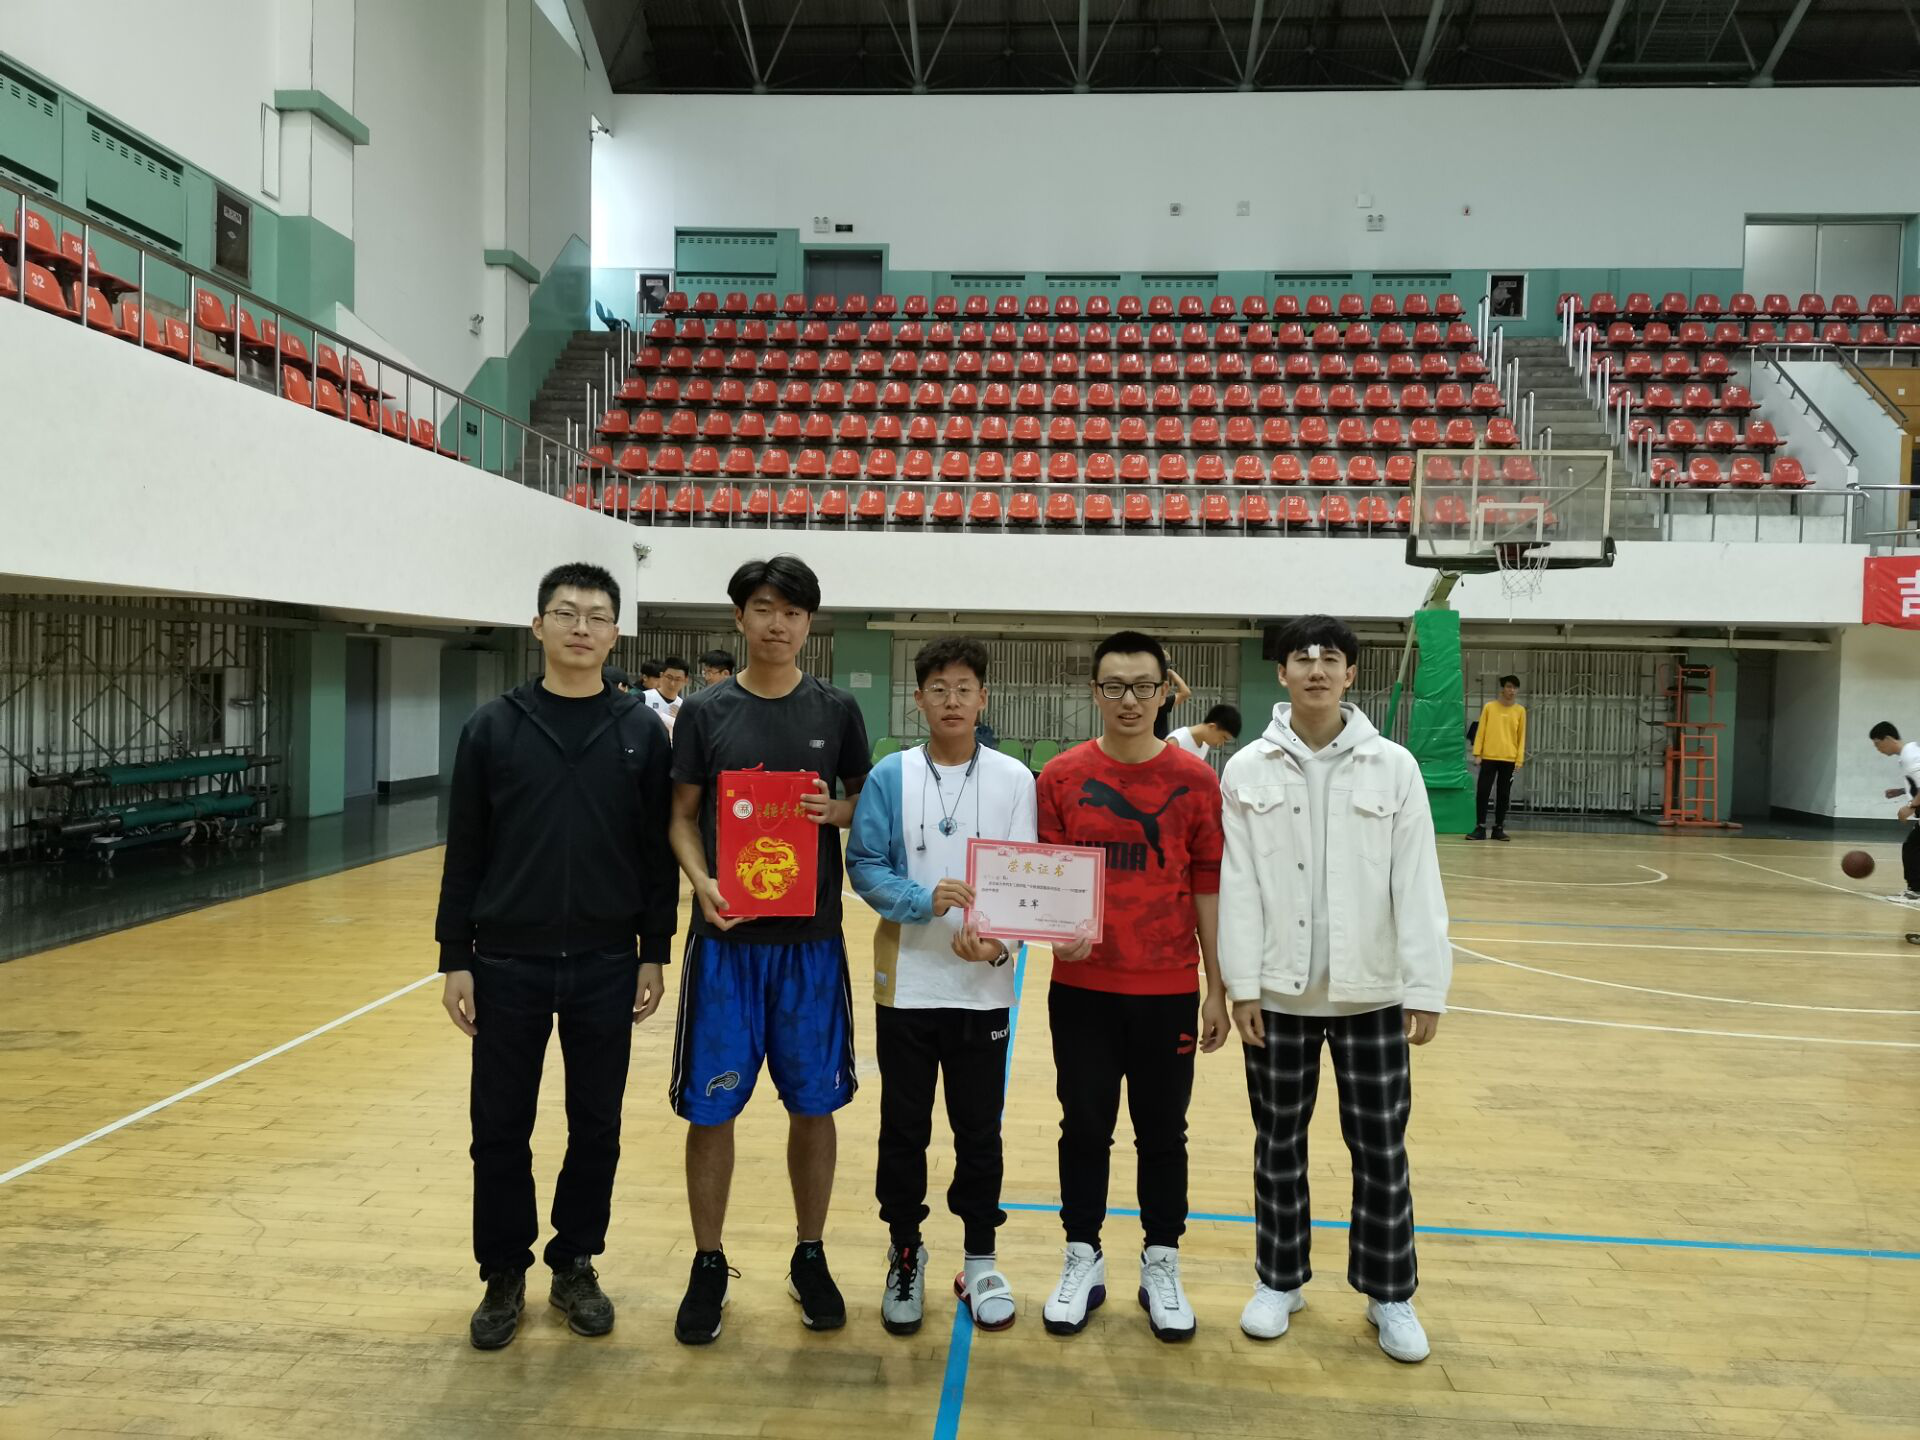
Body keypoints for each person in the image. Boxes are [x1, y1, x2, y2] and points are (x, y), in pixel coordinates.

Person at [434, 561, 679, 1351]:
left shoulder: (640, 731)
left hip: (607, 961)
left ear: (615, 634)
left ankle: (574, 1261)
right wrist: (455, 956)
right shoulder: (492, 727)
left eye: (597, 616)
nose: (581, 627)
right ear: (538, 626)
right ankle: (503, 1270)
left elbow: (656, 853)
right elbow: (465, 849)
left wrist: (653, 949)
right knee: (499, 1128)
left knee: (596, 1125)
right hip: (506, 962)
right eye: (566, 613)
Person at [1217, 614, 1451, 1366]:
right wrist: (1241, 985)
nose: (1316, 669)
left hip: (1371, 994)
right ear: (1282, 672)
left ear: (1351, 674)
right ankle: (1278, 1280)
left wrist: (1425, 984)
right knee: (1277, 1146)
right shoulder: (1246, 768)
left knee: (1380, 1149)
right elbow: (1237, 884)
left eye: (1330, 658)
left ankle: (1390, 1293)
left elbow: (1417, 880)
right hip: (1278, 995)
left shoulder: (1394, 767)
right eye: (1301, 657)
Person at [666, 555, 872, 1344]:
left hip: (811, 945)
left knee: (814, 1105)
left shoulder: (837, 708)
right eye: (763, 608)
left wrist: (836, 811)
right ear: (739, 618)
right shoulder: (705, 711)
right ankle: (708, 1261)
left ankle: (809, 1253)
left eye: (791, 611)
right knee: (710, 1107)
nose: (777, 623)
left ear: (809, 623)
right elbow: (681, 816)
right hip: (726, 943)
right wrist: (701, 881)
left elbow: (861, 800)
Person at [1035, 631, 1228, 1343]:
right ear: (1094, 692)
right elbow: (1044, 880)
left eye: (1143, 686)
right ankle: (1081, 1255)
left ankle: (1161, 1259)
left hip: (1168, 988)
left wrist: (1216, 985)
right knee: (1084, 1126)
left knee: (1163, 1132)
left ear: (1165, 691)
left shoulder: (1197, 782)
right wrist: (1055, 933)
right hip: (1082, 988)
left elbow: (1207, 884)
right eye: (1114, 686)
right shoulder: (1060, 777)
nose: (1129, 700)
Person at [847, 637, 1035, 1337]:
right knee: (904, 1129)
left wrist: (998, 942)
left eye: (964, 689)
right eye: (938, 689)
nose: (951, 701)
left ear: (983, 698)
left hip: (983, 988)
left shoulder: (1015, 779)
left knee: (979, 1131)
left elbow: (1028, 876)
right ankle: (905, 1249)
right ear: (918, 700)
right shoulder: (890, 775)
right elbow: (864, 863)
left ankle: (981, 1258)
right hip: (908, 986)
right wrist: (921, 900)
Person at [1468, 674, 1525, 841]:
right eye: (1509, 687)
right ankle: (1480, 827)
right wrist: (1477, 753)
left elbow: (1521, 736)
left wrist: (1519, 759)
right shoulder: (1489, 707)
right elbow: (1481, 731)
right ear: (1502, 689)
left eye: (1515, 687)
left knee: (1503, 794)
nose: (1512, 690)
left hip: (1509, 759)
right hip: (1489, 757)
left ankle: (1498, 828)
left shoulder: (1520, 711)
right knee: (1483, 792)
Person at [1870, 721, 1920, 902]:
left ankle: (1915, 892)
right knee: (1914, 847)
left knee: (1912, 848)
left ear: (1888, 738)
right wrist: (1900, 791)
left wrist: (1910, 807)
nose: (1878, 749)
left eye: (1878, 744)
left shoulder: (1910, 756)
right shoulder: (1911, 752)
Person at [1169, 704, 1242, 763]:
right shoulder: (1177, 741)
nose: (1221, 743)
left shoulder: (1205, 744)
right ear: (1212, 727)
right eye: (1223, 738)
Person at [647, 655, 689, 734]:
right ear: (661, 675)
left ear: (686, 680)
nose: (672, 683)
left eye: (677, 679)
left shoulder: (684, 707)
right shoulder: (644, 697)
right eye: (669, 677)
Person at [1151, 666, 1193, 742]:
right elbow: (1186, 692)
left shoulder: (1161, 703)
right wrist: (1171, 673)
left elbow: (1186, 693)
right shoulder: (1161, 703)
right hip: (1159, 744)